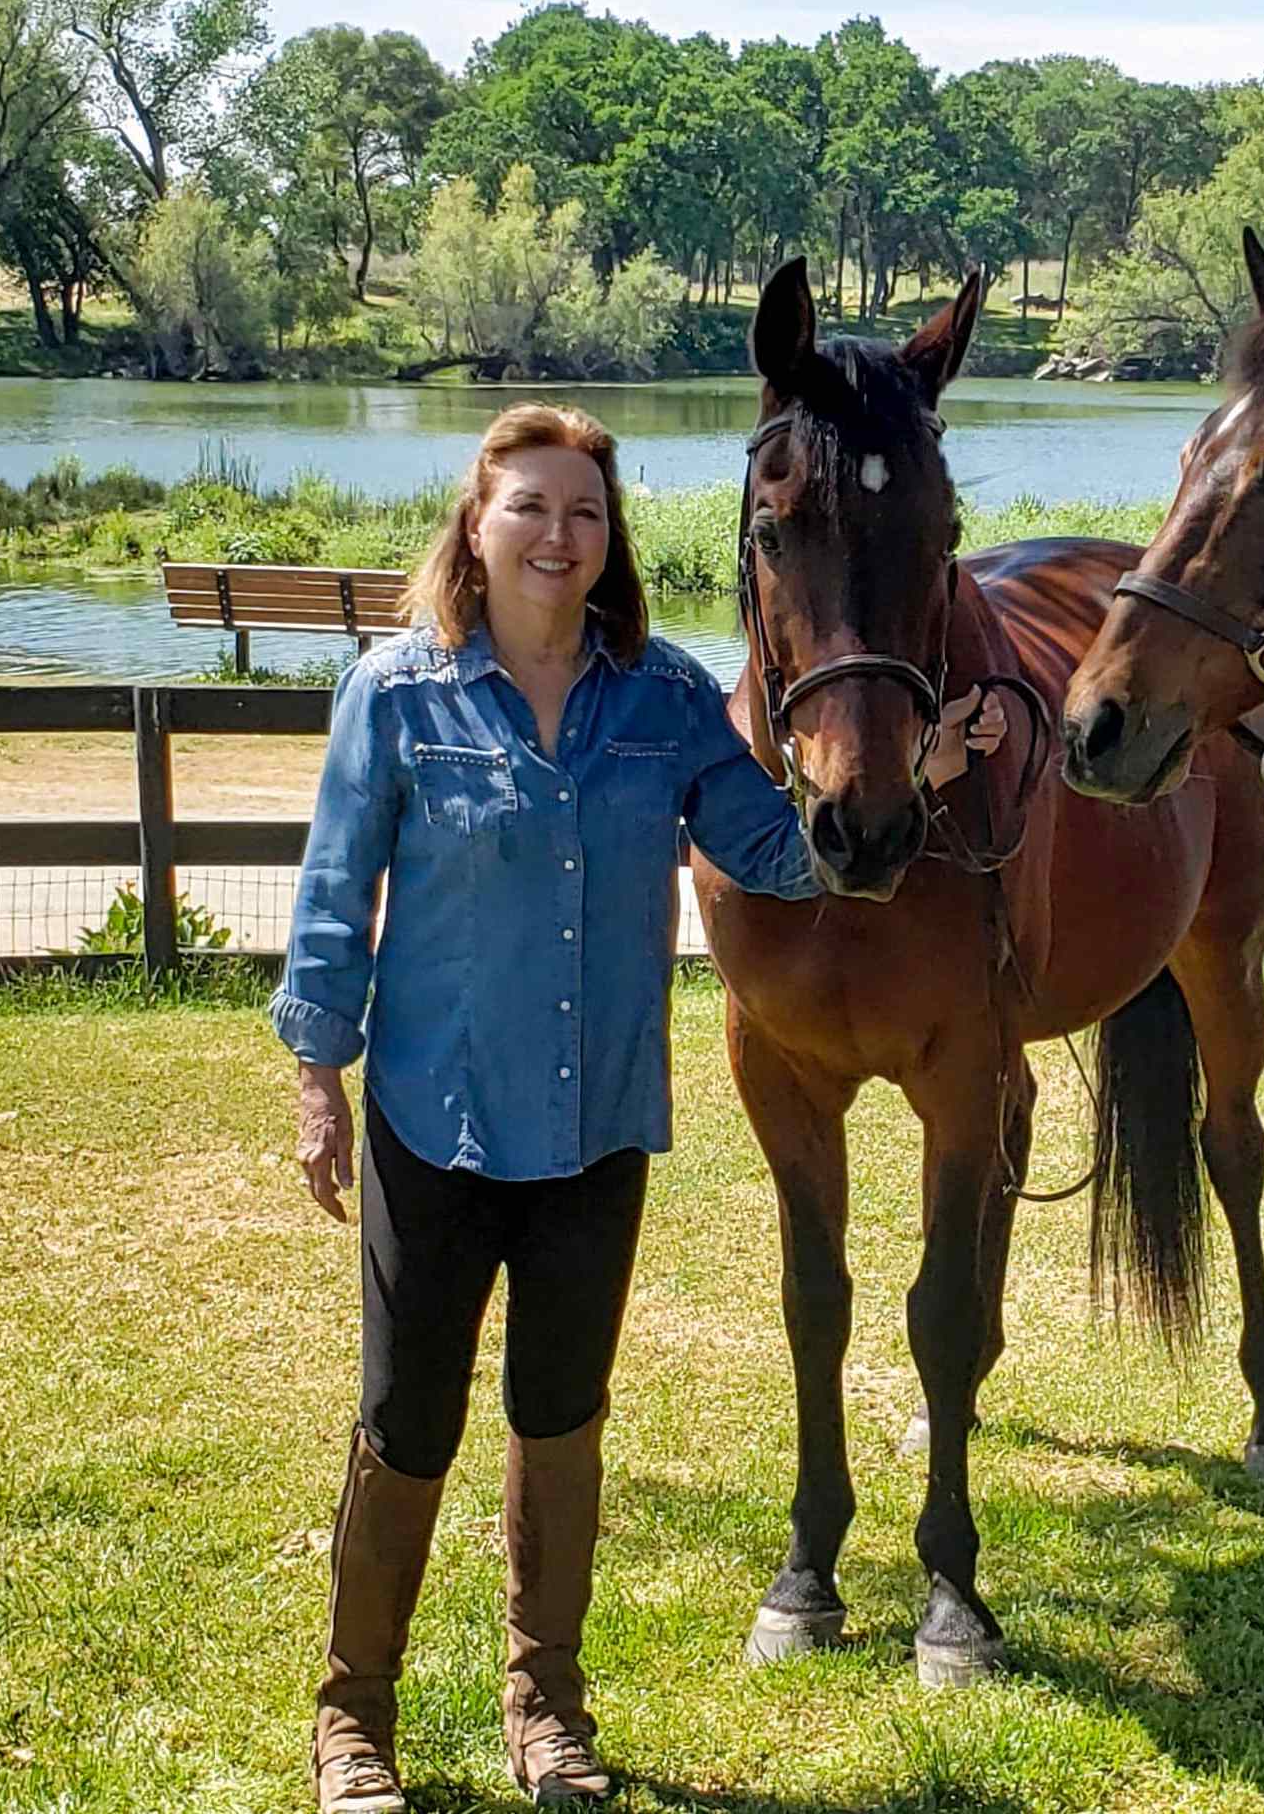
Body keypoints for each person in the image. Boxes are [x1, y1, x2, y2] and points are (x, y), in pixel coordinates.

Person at [273, 403, 1000, 1814]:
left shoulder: (662, 701)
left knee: (562, 1418)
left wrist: (924, 772)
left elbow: (779, 858)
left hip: (597, 1125)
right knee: (405, 1422)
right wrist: (319, 1075)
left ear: (613, 545)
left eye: (585, 514)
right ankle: (353, 1718)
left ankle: (547, 1713)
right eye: (531, 507)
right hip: (438, 1118)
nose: (560, 535)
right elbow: (330, 891)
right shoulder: (400, 694)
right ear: (475, 524)